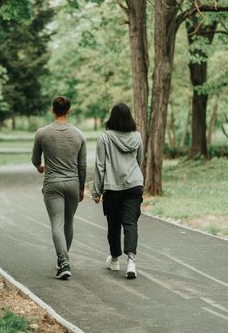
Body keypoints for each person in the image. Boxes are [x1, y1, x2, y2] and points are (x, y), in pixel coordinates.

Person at [31, 96, 87, 280]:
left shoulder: (42, 133)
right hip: (72, 183)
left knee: (57, 223)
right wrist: (80, 188)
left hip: (52, 184)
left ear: (53, 110)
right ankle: (63, 260)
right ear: (69, 110)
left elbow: (35, 159)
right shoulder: (79, 135)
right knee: (68, 223)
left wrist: (40, 167)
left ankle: (63, 261)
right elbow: (82, 165)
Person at [92, 102, 144, 279]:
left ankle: (114, 259)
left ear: (112, 118)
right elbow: (140, 160)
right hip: (134, 184)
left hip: (112, 187)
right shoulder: (137, 137)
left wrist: (96, 191)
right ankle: (131, 261)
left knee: (113, 224)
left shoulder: (104, 138)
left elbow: (100, 166)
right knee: (130, 223)